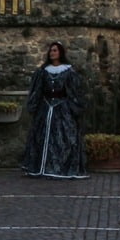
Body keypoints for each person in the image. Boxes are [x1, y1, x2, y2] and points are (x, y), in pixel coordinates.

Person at [21, 42, 86, 179]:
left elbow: (74, 91)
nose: (52, 53)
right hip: (45, 108)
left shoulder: (69, 72)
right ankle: (40, 167)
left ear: (60, 52)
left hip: (62, 108)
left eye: (55, 51)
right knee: (40, 137)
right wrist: (34, 105)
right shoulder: (43, 71)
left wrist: (74, 107)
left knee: (65, 138)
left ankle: (60, 168)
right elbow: (37, 90)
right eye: (51, 51)